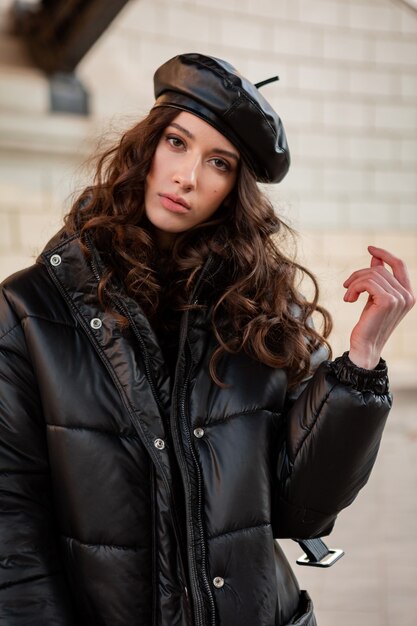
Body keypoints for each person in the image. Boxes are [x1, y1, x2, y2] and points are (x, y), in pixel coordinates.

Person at [0, 53, 414, 626]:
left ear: (233, 188)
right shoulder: (30, 311)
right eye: (177, 142)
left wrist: (360, 365)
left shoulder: (264, 311)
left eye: (218, 162)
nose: (188, 177)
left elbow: (303, 513)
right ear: (146, 148)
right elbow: (13, 537)